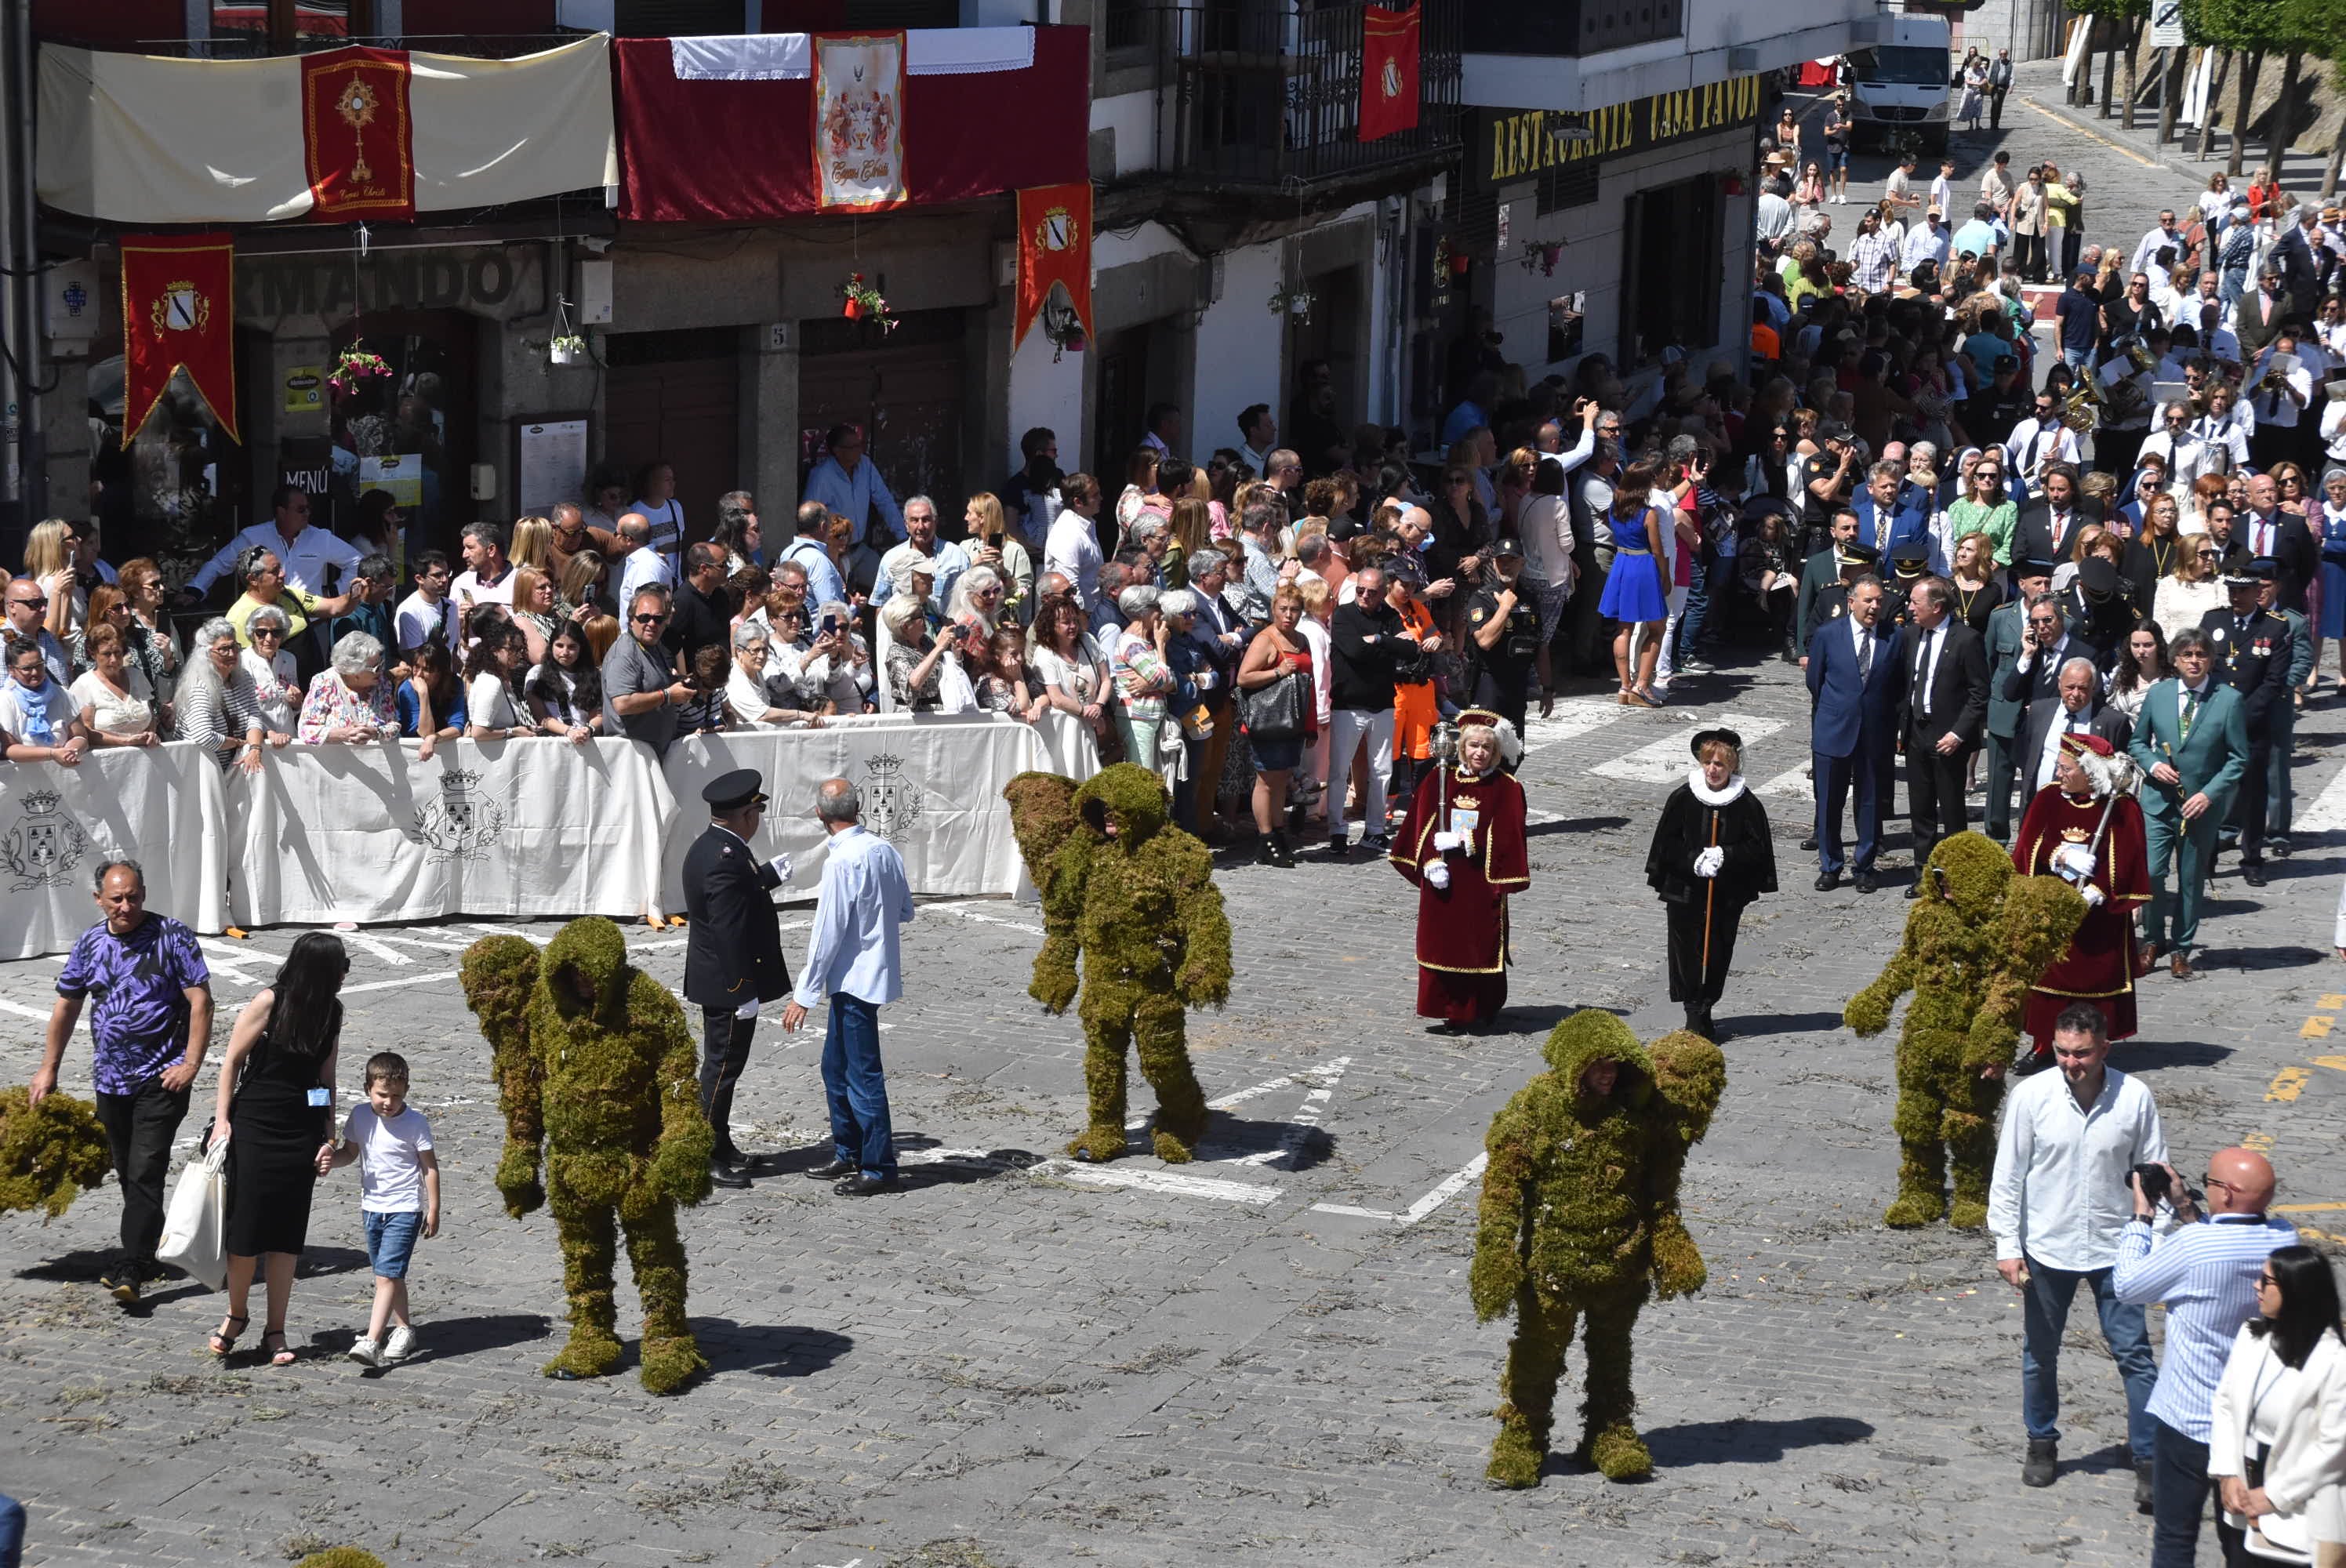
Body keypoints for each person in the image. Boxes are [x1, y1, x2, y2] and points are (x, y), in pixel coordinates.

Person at [1988, 1004, 2166, 1494]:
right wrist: (2008, 1244)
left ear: (2104, 1047)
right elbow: (2008, 1178)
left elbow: (2155, 1173)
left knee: (2134, 1354)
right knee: (2039, 1356)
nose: (2071, 1063)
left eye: (2082, 1054)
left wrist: (2159, 1241)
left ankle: (2149, 1458)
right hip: (2048, 1246)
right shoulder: (2031, 1096)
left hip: (2118, 1248)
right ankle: (2041, 1441)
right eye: (2063, 1053)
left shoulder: (2135, 1097)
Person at [28, 862, 211, 1306]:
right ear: (99, 900)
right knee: (130, 1171)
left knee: (146, 1169)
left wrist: (190, 1064)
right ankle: (150, 1251)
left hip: (162, 1079)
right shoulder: (90, 943)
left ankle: (131, 1266)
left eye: (133, 896)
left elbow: (201, 1001)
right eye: (117, 899)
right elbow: (66, 1007)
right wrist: (49, 1066)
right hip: (111, 1081)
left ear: (144, 894)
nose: (126, 906)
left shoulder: (173, 936)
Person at [2107, 1148, 2297, 1559]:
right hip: (2251, 1422)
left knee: (2175, 1536)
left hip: (2189, 1419)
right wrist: (2183, 1204)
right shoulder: (2284, 1238)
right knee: (2242, 1539)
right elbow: (2223, 1241)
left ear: (2226, 1194)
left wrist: (2142, 1215)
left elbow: (2127, 1286)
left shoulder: (2194, 1245)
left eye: (2208, 1183)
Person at [205, 931, 350, 1367]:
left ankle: (276, 1329)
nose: (345, 973)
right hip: (254, 1125)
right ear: (321, 969)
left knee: (287, 1238)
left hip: (298, 1133)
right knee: (246, 1232)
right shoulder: (270, 1001)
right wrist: (224, 1120)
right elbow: (231, 1061)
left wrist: (327, 1132)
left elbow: (324, 1077)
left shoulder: (333, 1012)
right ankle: (236, 1315)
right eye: (341, 965)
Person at [780, 778, 913, 1197]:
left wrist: (805, 993)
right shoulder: (884, 849)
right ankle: (850, 1149)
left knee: (862, 1075)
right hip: (867, 977)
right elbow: (906, 909)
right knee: (835, 1069)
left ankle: (877, 1165)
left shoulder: (841, 862)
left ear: (820, 814)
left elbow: (827, 933)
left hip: (853, 981)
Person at [681, 769, 795, 1189]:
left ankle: (721, 1143)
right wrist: (741, 990)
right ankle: (705, 1153)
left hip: (722, 980)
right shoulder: (724, 858)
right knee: (721, 1069)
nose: (758, 819)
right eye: (756, 811)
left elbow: (732, 894)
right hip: (726, 984)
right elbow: (728, 930)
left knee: (725, 1066)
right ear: (745, 815)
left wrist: (765, 876)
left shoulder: (720, 846)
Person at [1389, 715, 1529, 1031]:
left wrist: (1468, 841)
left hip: (1480, 878)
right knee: (1441, 942)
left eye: (1486, 747)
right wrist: (1430, 860)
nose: (1479, 752)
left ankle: (1482, 1007)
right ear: (1462, 747)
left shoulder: (1506, 787)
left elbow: (1508, 834)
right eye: (1473, 745)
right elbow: (1420, 823)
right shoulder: (1440, 778)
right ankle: (1449, 1008)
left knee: (1478, 940)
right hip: (1443, 876)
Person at [2209, 1246, 2346, 1566]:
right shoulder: (2251, 1336)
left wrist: (2274, 1495)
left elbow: (2334, 1445)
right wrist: (2227, 1473)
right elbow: (2226, 1404)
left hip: (2300, 1497)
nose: (2256, 1286)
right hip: (2241, 1485)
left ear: (2296, 1292)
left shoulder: (2335, 1362)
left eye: (2266, 1281)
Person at [2130, 628, 2250, 978]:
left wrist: (2209, 794)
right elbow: (2138, 742)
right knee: (2151, 872)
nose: (2194, 661)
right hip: (2158, 801)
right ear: (2176, 660)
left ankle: (2182, 948)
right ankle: (2152, 939)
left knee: (2190, 879)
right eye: (2187, 655)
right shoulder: (2160, 694)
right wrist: (2153, 764)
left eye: (2200, 655)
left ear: (2211, 660)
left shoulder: (2227, 700)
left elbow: (2238, 758)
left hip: (2199, 807)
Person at [1644, 728, 1777, 1040]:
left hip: (1725, 895)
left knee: (1717, 948)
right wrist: (1694, 859)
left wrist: (1725, 855)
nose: (1713, 770)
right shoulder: (1683, 798)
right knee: (1685, 949)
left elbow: (1757, 849)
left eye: (1720, 764)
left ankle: (1707, 1007)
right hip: (1685, 892)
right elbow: (1666, 845)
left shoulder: (1746, 804)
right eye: (1708, 763)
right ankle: (1692, 1010)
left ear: (1732, 767)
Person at [325, 1052, 440, 1370]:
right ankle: (404, 1329)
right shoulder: (360, 1117)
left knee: (387, 1274)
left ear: (406, 1092)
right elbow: (349, 1153)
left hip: (405, 1209)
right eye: (382, 1095)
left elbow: (429, 1168)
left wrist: (433, 1209)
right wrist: (328, 1162)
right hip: (372, 1208)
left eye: (396, 1096)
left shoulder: (416, 1123)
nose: (388, 1102)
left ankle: (373, 1340)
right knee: (389, 1276)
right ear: (367, 1089)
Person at [1807, 575, 1905, 892]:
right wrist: (1839, 709)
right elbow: (1815, 681)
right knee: (1829, 802)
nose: (1875, 607)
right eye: (1868, 600)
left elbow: (1899, 685)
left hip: (1874, 732)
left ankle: (1864, 865)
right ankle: (1831, 866)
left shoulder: (1895, 637)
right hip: (1834, 729)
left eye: (1879, 601)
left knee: (1869, 802)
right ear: (1852, 602)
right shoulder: (1828, 635)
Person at [2203, 561, 2293, 887]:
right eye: (2232, 590)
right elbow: (2205, 668)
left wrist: (2239, 716)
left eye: (2243, 590)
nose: (2236, 596)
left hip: (2252, 724)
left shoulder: (2275, 627)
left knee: (2254, 794)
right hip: (2214, 721)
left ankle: (2252, 858)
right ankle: (2207, 854)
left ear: (2259, 591)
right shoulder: (2214, 620)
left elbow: (2273, 681)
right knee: (2212, 791)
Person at [1901, 577, 1990, 884]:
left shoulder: (1966, 639)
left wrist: (1958, 734)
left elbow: (1979, 693)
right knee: (1920, 809)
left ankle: (1955, 877)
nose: (1910, 607)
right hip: (1917, 733)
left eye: (1916, 602)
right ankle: (1922, 874)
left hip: (1948, 738)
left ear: (1937, 607)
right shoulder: (1911, 635)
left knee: (1952, 813)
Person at [1237, 583, 1316, 867]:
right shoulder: (1265, 639)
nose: (1289, 615)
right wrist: (1278, 672)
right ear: (1273, 609)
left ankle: (1278, 834)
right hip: (1269, 721)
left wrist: (1311, 725)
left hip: (1293, 721)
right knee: (1267, 781)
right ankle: (1266, 838)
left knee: (1282, 780)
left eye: (1295, 610)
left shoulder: (1302, 639)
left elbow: (1309, 685)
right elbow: (1243, 678)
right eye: (1283, 609)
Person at [1324, 564, 1399, 857]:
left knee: (1382, 770)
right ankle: (1337, 830)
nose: (1365, 596)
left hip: (1382, 703)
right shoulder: (1343, 615)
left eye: (1372, 592)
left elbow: (1410, 650)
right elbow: (1353, 651)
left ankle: (1376, 830)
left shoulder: (1390, 617)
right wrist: (1388, 646)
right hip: (1348, 705)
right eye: (1360, 590)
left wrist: (1379, 640)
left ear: (1383, 593)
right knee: (1339, 771)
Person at [183, 484, 362, 604]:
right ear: (281, 512)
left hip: (312, 624)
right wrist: (195, 590)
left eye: (308, 508)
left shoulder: (321, 538)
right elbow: (219, 564)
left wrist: (334, 590)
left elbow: (358, 562)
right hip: (267, 628)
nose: (307, 513)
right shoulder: (253, 536)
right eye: (301, 510)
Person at [1600, 465, 1669, 706]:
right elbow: (1658, 550)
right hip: (1643, 565)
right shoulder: (1648, 513)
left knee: (1623, 628)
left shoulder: (1614, 509)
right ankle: (1641, 685)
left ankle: (1624, 686)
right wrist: (1665, 576)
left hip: (1622, 563)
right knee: (1657, 628)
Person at [602, 585, 694, 757]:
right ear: (631, 619)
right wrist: (667, 695)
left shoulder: (653, 646)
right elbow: (623, 703)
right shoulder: (624, 653)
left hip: (654, 752)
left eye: (658, 619)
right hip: (632, 756)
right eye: (644, 618)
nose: (652, 624)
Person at [802, 425, 902, 549]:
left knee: (883, 567)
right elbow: (809, 517)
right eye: (853, 447)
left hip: (859, 547)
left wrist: (903, 536)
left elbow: (884, 501)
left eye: (859, 445)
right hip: (833, 550)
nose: (859, 450)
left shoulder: (865, 465)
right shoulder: (821, 475)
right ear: (837, 451)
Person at [296, 630, 401, 744]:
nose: (381, 671)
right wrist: (344, 734)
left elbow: (394, 725)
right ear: (354, 671)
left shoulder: (382, 684)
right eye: (376, 668)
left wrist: (377, 732)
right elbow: (306, 730)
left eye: (382, 664)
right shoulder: (325, 682)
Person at [67, 625, 161, 747]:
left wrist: (150, 734)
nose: (114, 660)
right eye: (107, 654)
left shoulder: (137, 676)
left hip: (145, 754)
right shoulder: (84, 685)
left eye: (118, 653)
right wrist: (124, 742)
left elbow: (150, 716)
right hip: (107, 758)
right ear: (92, 653)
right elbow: (84, 730)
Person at [463, 623, 532, 740]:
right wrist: (513, 732)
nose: (519, 654)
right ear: (495, 651)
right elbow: (479, 732)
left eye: (521, 649)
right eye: (513, 649)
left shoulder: (502, 679)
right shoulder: (490, 682)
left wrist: (523, 729)